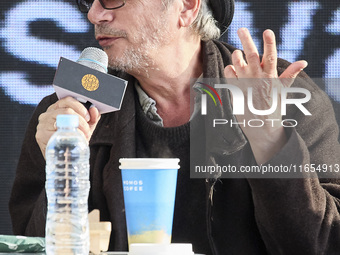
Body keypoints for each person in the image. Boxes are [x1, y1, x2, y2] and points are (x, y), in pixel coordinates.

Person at [9, 0, 340, 254]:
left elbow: (324, 243)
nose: (95, 14)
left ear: (186, 6)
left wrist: (272, 142)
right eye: (92, 1)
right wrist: (62, 169)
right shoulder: (68, 112)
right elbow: (31, 244)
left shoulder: (282, 95)